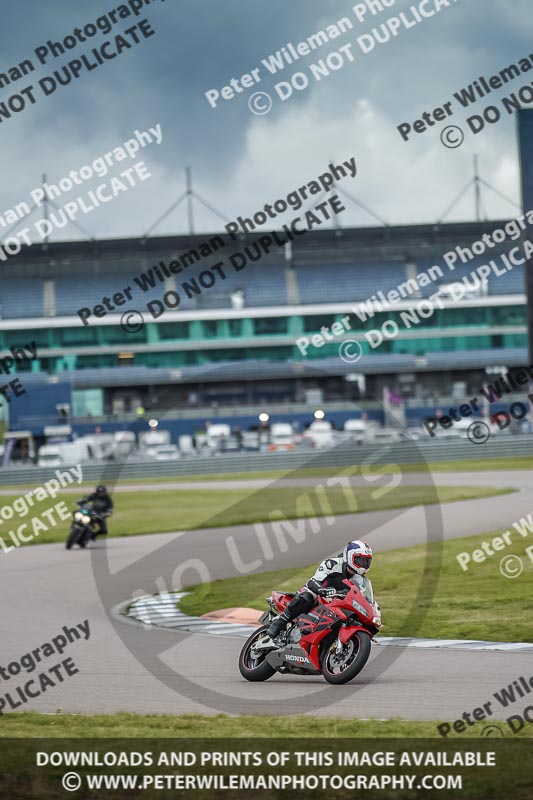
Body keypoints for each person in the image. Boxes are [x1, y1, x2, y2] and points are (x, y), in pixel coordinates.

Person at [266, 540, 373, 640]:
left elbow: (360, 597)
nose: (364, 564)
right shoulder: (332, 564)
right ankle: (280, 622)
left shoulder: (360, 580)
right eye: (361, 560)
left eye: (366, 561)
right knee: (308, 597)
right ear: (350, 556)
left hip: (335, 602)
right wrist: (322, 590)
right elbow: (313, 581)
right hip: (318, 593)